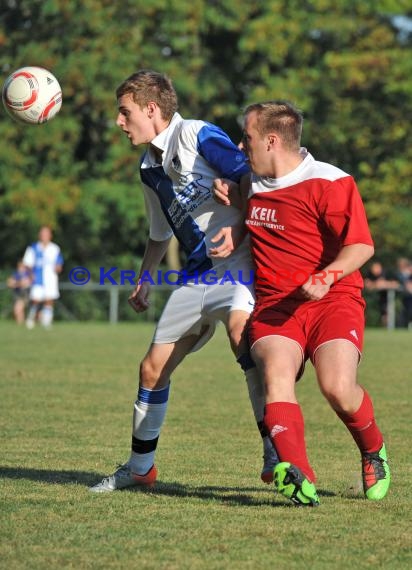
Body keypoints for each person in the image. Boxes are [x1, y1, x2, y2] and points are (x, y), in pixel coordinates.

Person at [89, 70, 278, 493]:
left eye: (125, 112)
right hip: (196, 275)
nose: (120, 123)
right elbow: (160, 231)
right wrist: (144, 278)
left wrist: (240, 219)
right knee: (151, 369)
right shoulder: (148, 168)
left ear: (151, 109)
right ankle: (140, 468)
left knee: (239, 332)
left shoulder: (196, 135)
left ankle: (275, 445)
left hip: (239, 263)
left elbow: (253, 176)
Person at [213, 100, 390, 506]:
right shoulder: (252, 180)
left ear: (272, 140)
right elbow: (248, 201)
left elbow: (361, 245)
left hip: (333, 301)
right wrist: (235, 222)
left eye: (248, 137)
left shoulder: (330, 181)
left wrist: (326, 276)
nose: (242, 147)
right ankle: (300, 477)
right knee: (275, 376)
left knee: (338, 388)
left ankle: (373, 450)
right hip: (277, 307)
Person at [23, 226, 64, 329]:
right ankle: (31, 319)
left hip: (50, 279)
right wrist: (30, 274)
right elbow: (27, 264)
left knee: (49, 300)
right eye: (42, 233)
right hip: (37, 278)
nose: (44, 236)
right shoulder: (33, 247)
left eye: (46, 233)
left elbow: (59, 263)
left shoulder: (54, 248)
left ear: (50, 235)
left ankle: (47, 322)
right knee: (35, 300)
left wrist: (58, 268)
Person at [364, 261, 399, 326]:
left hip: (387, 297)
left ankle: (388, 325)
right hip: (372, 299)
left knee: (386, 312)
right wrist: (376, 284)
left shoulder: (387, 273)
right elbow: (367, 284)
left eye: (377, 268)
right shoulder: (369, 274)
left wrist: (384, 284)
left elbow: (396, 284)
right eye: (373, 268)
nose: (375, 270)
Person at [7, 260, 32, 324]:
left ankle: (20, 324)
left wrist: (16, 283)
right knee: (19, 310)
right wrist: (18, 283)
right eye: (20, 267)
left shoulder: (28, 274)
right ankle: (21, 324)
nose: (21, 268)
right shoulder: (16, 274)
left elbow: (26, 283)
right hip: (18, 294)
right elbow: (9, 283)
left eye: (23, 267)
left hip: (25, 294)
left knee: (18, 309)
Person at [395, 257, 412, 328]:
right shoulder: (399, 274)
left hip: (408, 297)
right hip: (406, 297)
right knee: (406, 312)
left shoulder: (407, 274)